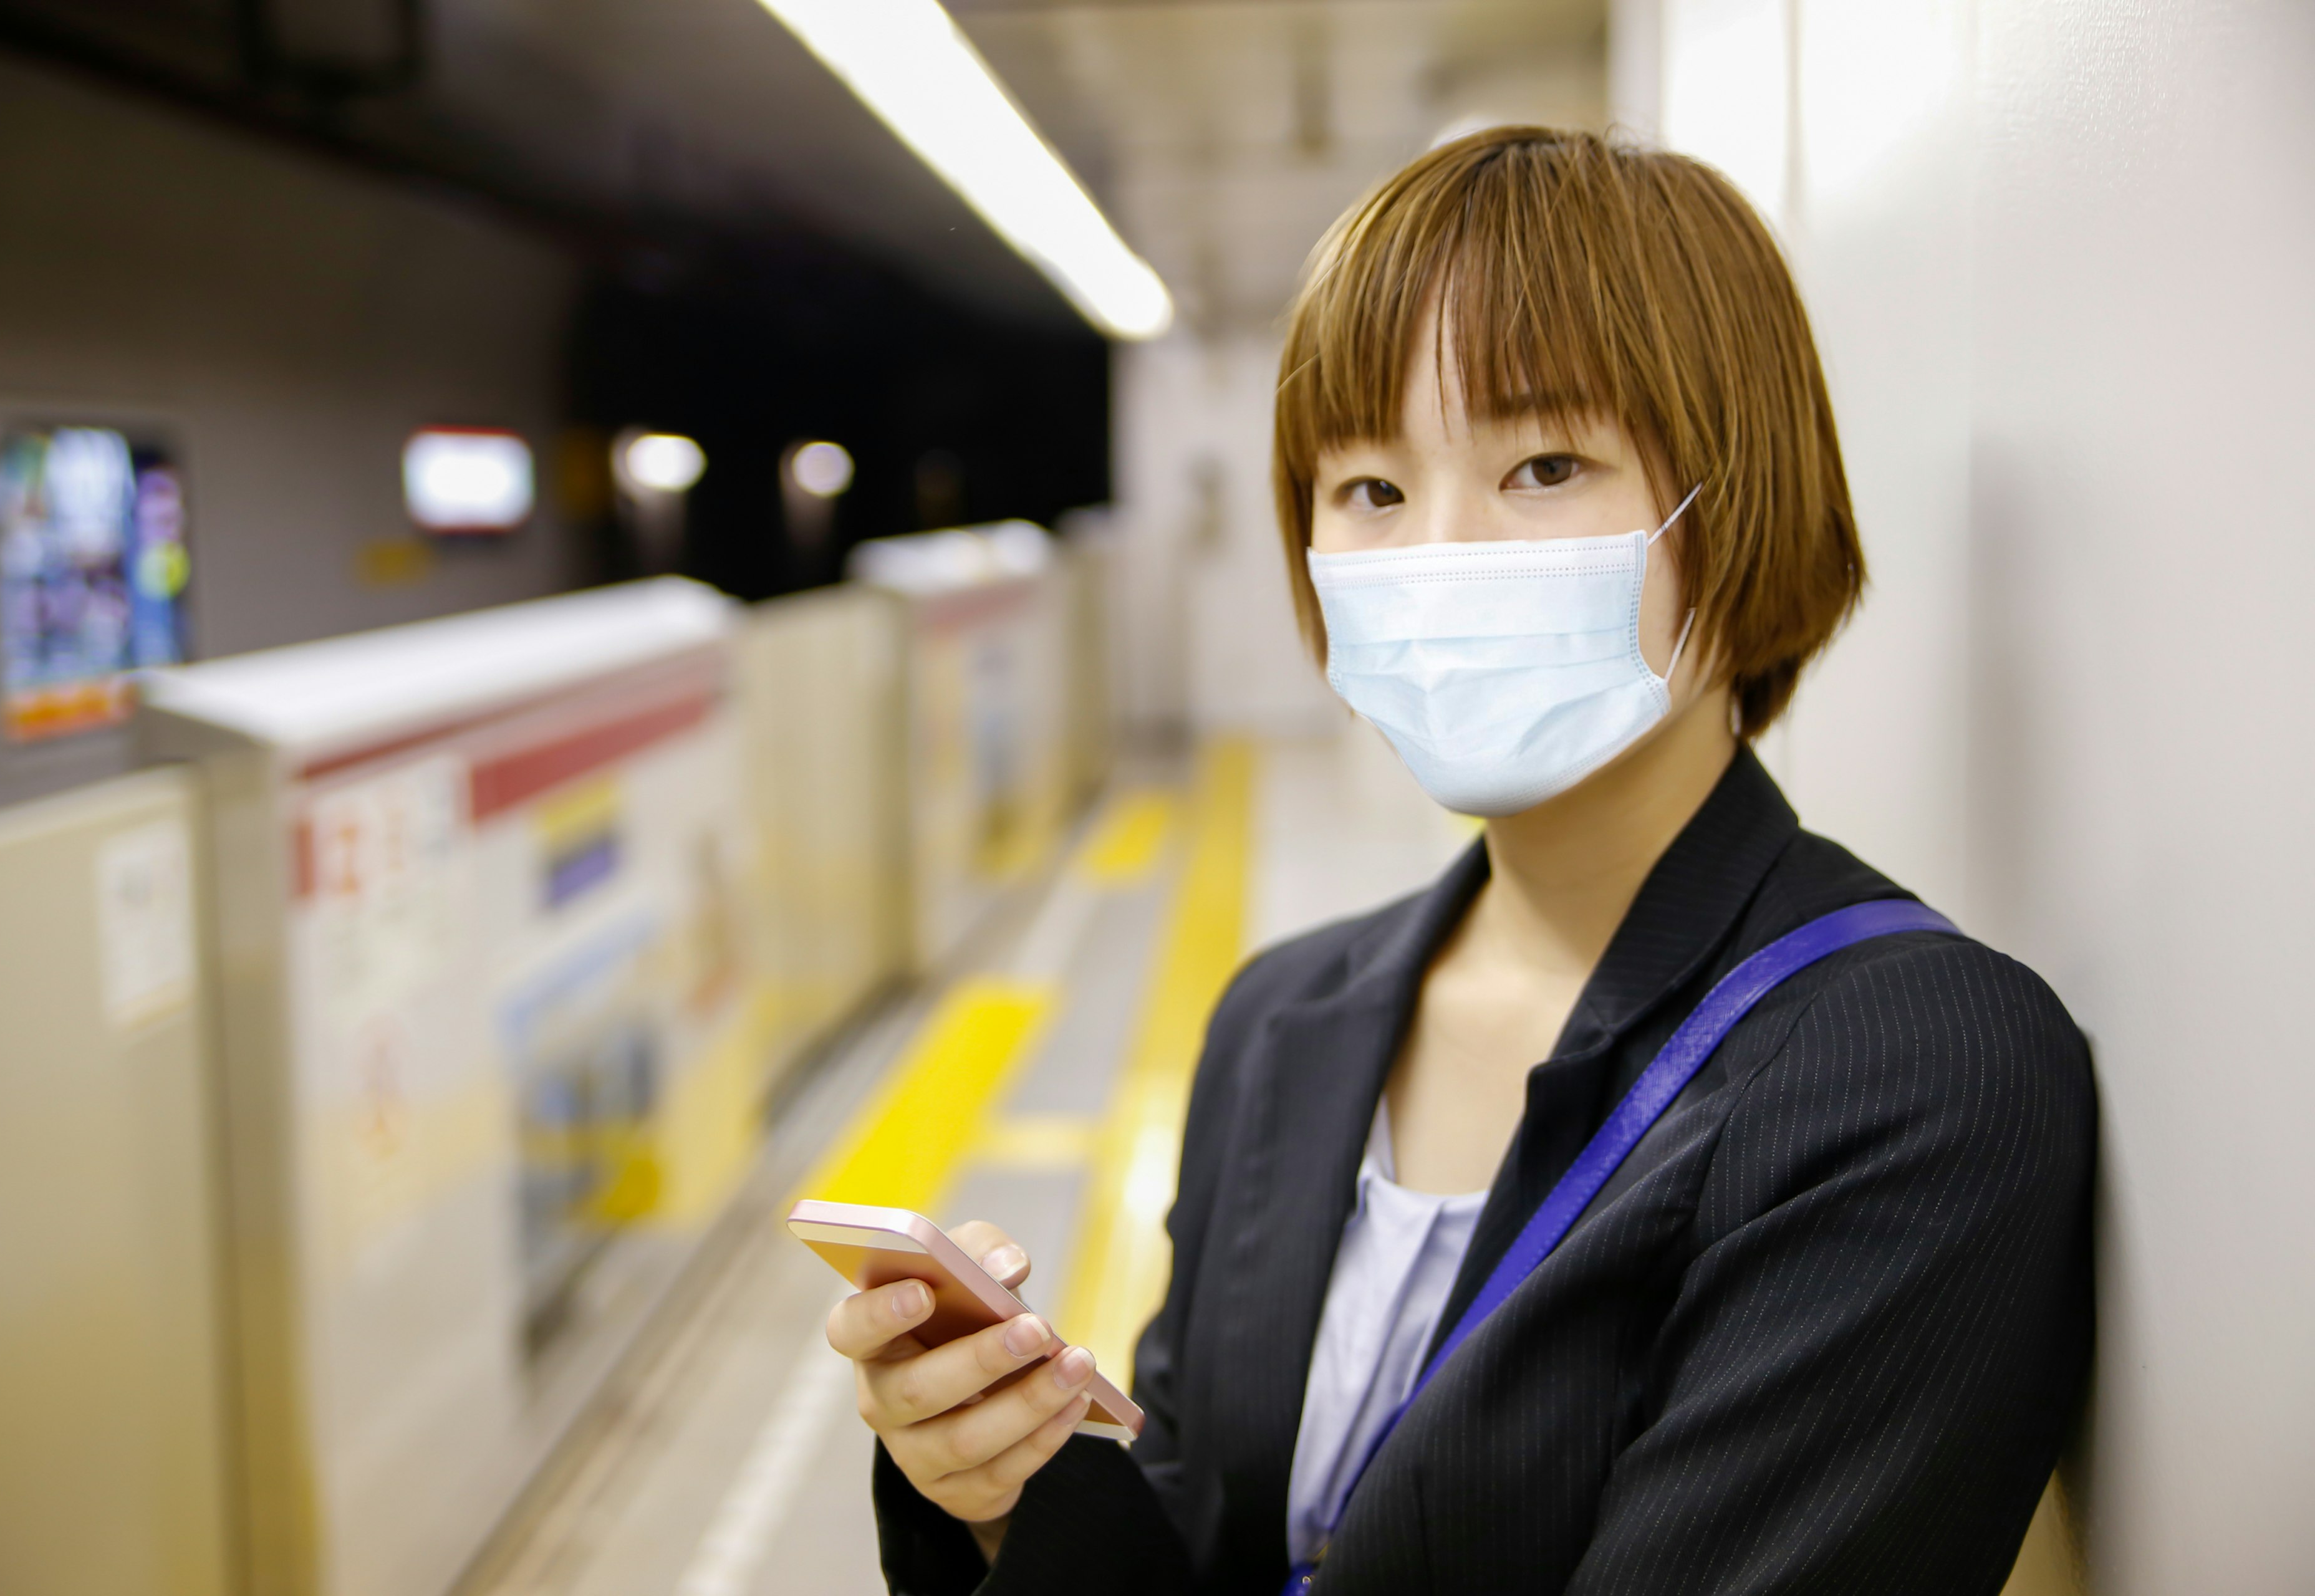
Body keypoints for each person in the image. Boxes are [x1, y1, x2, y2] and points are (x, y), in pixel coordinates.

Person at [825, 127, 2095, 1596]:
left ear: (1732, 502)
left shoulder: (1921, 1071)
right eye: (1369, 490)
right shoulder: (1282, 1018)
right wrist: (994, 1489)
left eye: (1545, 465)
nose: (1441, 553)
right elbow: (1200, 1534)